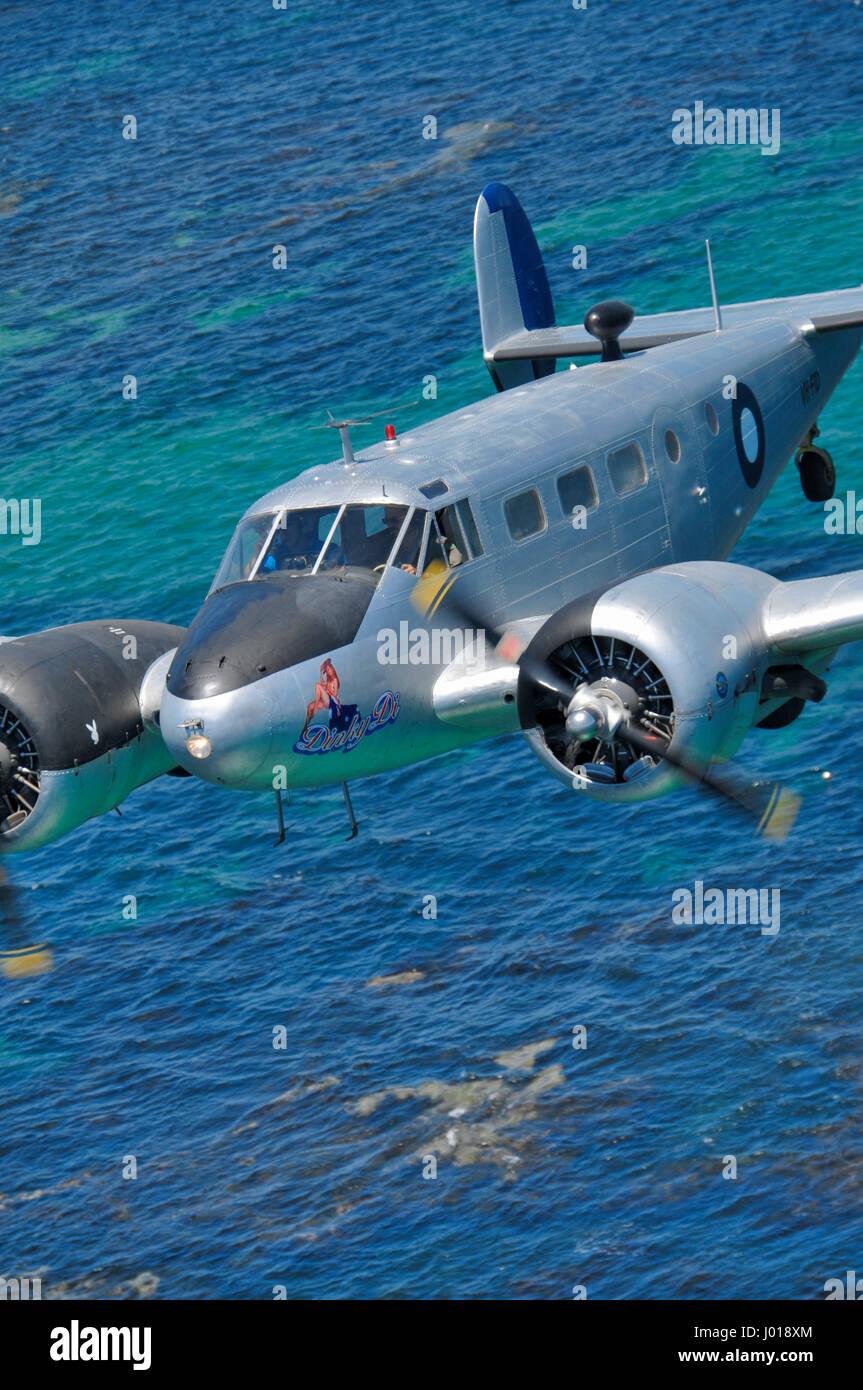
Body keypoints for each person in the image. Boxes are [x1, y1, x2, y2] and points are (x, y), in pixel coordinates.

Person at [302, 658, 339, 735]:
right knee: (309, 706)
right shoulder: (329, 680)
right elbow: (322, 682)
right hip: (326, 700)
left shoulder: (335, 680)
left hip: (332, 701)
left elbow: (335, 694)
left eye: (329, 669)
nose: (329, 670)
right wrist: (321, 672)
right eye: (327, 669)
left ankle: (316, 706)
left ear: (332, 669)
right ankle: (306, 725)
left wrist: (328, 691)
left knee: (317, 685)